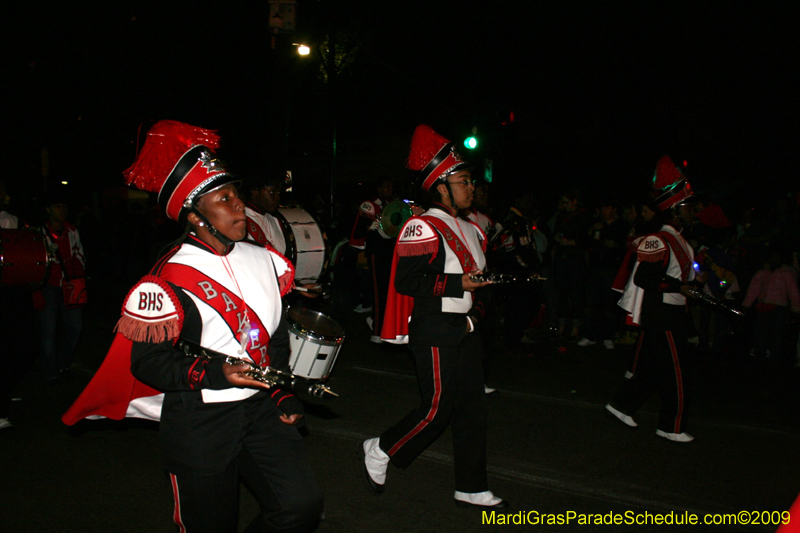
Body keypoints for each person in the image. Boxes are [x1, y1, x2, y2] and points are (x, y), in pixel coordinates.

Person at [63, 121, 322, 532]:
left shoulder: (265, 259)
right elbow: (147, 362)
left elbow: (272, 338)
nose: (239, 205)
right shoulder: (167, 278)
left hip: (259, 410)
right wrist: (214, 373)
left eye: (236, 195)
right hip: (201, 420)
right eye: (224, 198)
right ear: (195, 215)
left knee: (301, 507)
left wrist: (281, 394)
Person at [362, 124, 507, 509]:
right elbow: (409, 281)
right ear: (440, 186)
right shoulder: (421, 225)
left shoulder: (472, 227)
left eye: (470, 181)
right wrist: (461, 284)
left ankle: (471, 486)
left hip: (466, 328)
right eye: (463, 181)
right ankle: (381, 448)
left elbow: (478, 282)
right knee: (437, 409)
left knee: (473, 409)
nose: (470, 187)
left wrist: (476, 312)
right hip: (435, 328)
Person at [606, 156, 703, 443]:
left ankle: (621, 405)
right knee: (676, 370)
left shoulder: (680, 239)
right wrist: (679, 286)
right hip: (662, 312)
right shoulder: (660, 238)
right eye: (689, 207)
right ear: (675, 209)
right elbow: (644, 278)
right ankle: (671, 426)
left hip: (671, 311)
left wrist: (693, 282)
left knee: (657, 367)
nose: (694, 211)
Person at [36, 194, 86, 384]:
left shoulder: (72, 231)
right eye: (57, 206)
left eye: (64, 206)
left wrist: (74, 268)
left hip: (70, 286)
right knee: (48, 332)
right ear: (48, 209)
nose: (62, 210)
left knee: (74, 328)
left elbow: (80, 256)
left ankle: (63, 365)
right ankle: (50, 372)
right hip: (48, 286)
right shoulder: (39, 232)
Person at [245, 174, 288, 255]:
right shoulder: (240, 220)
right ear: (254, 190)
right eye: (272, 192)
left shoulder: (276, 220)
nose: (277, 197)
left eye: (278, 193)